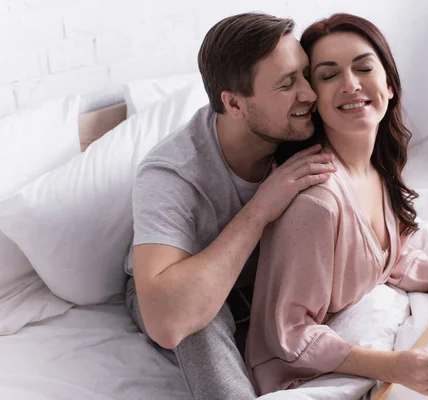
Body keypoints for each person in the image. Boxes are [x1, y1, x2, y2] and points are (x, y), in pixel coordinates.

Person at [245, 13, 428, 398]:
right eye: (328, 75)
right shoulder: (317, 204)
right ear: (312, 100)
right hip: (299, 373)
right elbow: (289, 334)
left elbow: (387, 258)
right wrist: (395, 367)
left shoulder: (375, 167)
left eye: (363, 67)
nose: (350, 84)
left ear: (390, 85)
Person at [124, 13, 337, 400]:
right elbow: (168, 320)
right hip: (173, 286)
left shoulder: (301, 129)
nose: (309, 94)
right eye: (288, 83)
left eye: (305, 74)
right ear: (235, 104)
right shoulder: (170, 174)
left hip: (262, 279)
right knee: (197, 317)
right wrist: (260, 209)